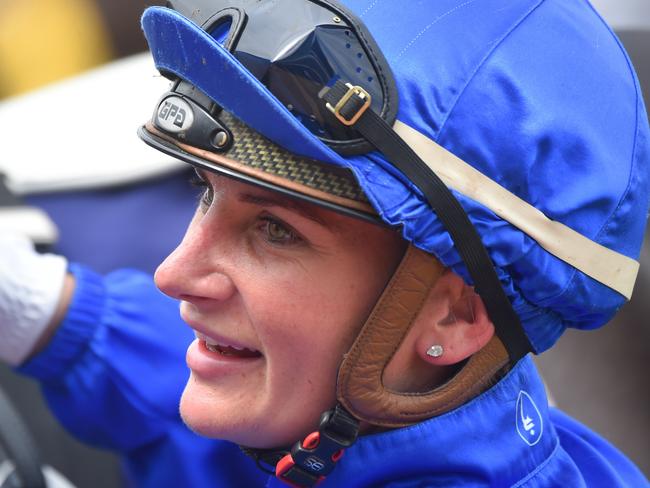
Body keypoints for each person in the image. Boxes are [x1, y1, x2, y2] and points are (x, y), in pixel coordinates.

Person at [1, 0, 649, 486]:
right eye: (205, 190)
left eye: (275, 230)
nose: (172, 272)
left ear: (454, 314)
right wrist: (49, 311)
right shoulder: (356, 410)